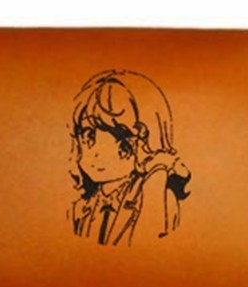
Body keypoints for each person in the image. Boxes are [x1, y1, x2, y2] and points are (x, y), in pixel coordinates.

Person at [68, 69, 192, 245]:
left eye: (122, 139)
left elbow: (153, 245)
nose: (90, 148)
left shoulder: (159, 197)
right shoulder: (82, 207)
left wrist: (156, 174)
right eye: (87, 136)